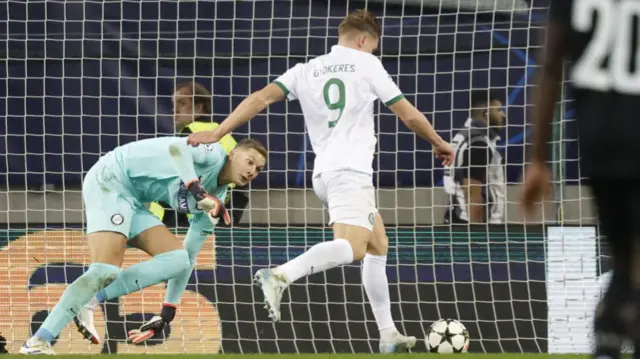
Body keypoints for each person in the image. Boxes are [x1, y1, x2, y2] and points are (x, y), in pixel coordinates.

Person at [187, 9, 454, 353]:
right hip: (350, 172)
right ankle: (281, 274)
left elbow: (259, 99)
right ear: (362, 40)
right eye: (373, 46)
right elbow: (408, 114)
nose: (373, 53)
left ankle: (388, 333)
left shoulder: (305, 70)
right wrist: (439, 143)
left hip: (325, 173)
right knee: (355, 248)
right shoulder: (367, 64)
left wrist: (219, 131)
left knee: (378, 245)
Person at [20, 137, 266, 354]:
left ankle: (89, 300)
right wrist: (199, 193)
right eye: (250, 161)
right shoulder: (212, 152)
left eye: (259, 169)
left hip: (134, 200)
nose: (252, 171)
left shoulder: (217, 201)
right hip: (112, 178)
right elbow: (176, 149)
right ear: (232, 153)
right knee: (105, 270)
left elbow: (189, 258)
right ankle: (39, 341)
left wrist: (166, 313)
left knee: (177, 259)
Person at [521, 1, 640, 358]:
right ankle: (611, 329)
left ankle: (606, 339)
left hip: (597, 143)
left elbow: (550, 65)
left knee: (625, 259)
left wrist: (538, 158)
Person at [149, 81, 248, 227]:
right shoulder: (226, 136)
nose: (175, 110)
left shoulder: (191, 134)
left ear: (198, 107)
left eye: (181, 103)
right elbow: (242, 184)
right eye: (173, 104)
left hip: (191, 217)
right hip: (225, 214)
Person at [443, 90, 506, 224]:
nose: (503, 115)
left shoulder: (464, 136)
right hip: (471, 225)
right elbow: (472, 193)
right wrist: (478, 237)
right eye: (499, 110)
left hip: (457, 217)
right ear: (486, 113)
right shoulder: (478, 143)